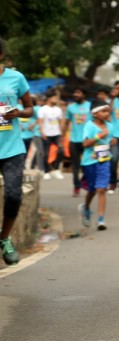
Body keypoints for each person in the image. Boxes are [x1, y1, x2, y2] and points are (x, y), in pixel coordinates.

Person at [0, 38, 35, 265]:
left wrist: (19, 113)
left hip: (12, 147)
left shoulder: (16, 77)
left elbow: (30, 109)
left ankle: (5, 239)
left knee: (13, 194)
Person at [79, 103, 112, 232]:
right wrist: (100, 136)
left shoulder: (110, 126)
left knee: (101, 189)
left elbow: (110, 141)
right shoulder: (89, 126)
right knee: (92, 189)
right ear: (95, 113)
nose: (107, 113)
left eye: (108, 111)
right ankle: (86, 207)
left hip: (104, 160)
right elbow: (85, 143)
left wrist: (112, 141)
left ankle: (101, 219)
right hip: (89, 161)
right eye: (103, 111)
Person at [65, 87, 91, 196]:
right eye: (74, 92)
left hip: (87, 140)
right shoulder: (70, 107)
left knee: (87, 164)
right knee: (75, 165)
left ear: (84, 95)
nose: (75, 94)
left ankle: (86, 183)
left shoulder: (90, 106)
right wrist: (62, 136)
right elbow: (66, 122)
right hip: (74, 140)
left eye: (78, 92)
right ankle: (76, 187)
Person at [37, 91, 65, 180]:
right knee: (46, 153)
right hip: (47, 134)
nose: (56, 100)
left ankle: (56, 169)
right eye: (54, 98)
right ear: (49, 98)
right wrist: (42, 132)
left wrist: (61, 133)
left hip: (56, 134)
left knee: (61, 151)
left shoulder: (58, 109)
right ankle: (46, 171)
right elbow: (40, 122)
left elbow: (61, 122)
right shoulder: (43, 109)